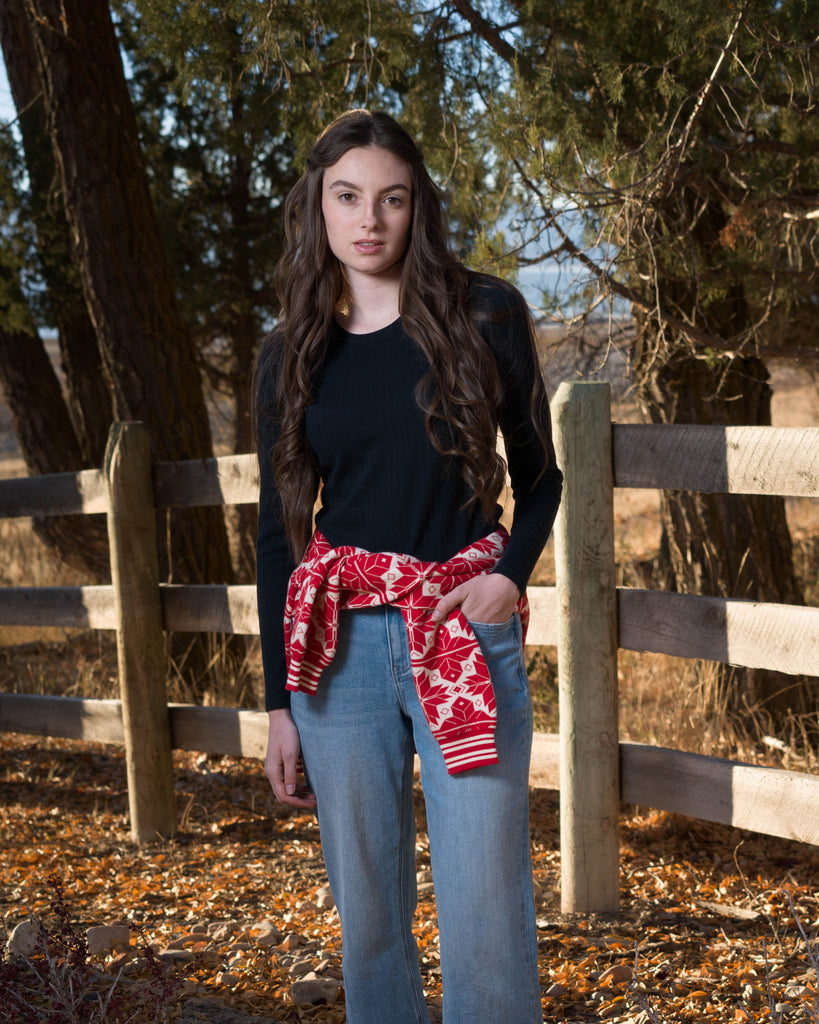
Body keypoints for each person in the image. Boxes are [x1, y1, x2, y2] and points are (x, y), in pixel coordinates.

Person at [254, 108, 563, 1024]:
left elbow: (541, 477)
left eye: (390, 199)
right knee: (370, 914)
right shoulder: (289, 352)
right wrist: (278, 704)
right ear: (317, 206)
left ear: (416, 206)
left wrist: (508, 577)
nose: (368, 220)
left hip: (461, 632)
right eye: (347, 197)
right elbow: (280, 533)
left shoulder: (484, 312)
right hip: (336, 654)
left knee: (485, 906)